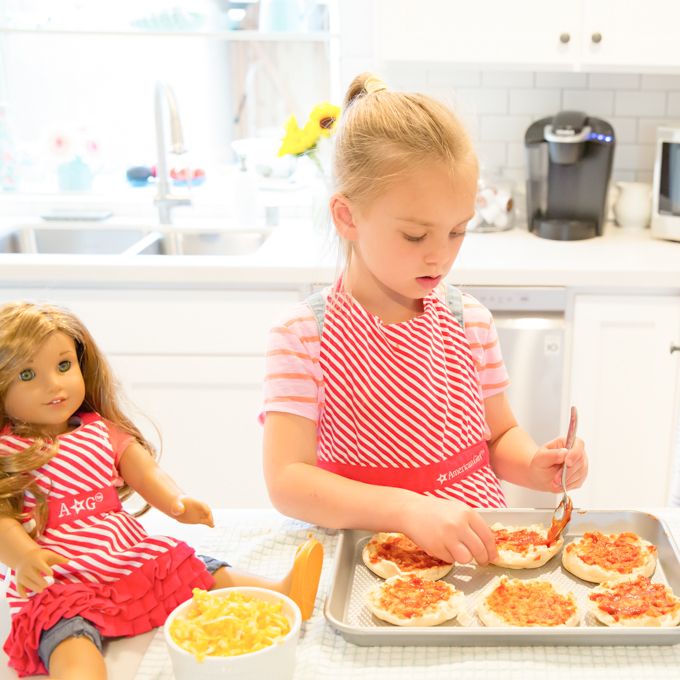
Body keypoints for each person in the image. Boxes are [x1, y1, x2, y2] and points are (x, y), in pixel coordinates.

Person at [261, 72, 588, 569]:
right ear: (347, 217)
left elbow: (497, 437)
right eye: (416, 236)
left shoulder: (469, 321)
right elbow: (288, 481)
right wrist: (411, 510)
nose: (440, 257)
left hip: (472, 552)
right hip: (362, 554)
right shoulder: (302, 337)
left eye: (457, 232)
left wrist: (535, 465)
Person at [0, 301, 322, 679]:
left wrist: (175, 502)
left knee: (187, 565)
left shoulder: (99, 430)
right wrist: (24, 556)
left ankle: (282, 591)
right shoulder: (8, 451)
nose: (53, 384)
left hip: (123, 554)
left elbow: (143, 470)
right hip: (61, 574)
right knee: (65, 630)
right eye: (27, 375)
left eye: (63, 365)